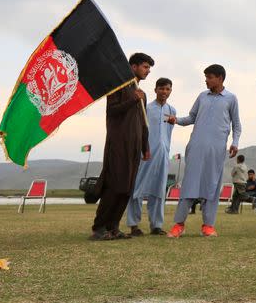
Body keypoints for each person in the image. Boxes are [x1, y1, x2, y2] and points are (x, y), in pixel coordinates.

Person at [166, 64, 242, 238]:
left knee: (212, 185)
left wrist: (235, 142)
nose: (206, 80)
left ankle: (208, 225)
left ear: (220, 78)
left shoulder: (231, 99)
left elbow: (236, 125)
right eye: (206, 77)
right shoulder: (202, 96)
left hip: (216, 150)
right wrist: (176, 120)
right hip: (196, 147)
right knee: (189, 184)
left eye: (209, 77)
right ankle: (179, 224)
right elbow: (191, 117)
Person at [90, 53, 153, 241]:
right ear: (133, 67)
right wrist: (132, 99)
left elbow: (143, 123)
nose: (148, 71)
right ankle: (99, 227)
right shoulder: (117, 86)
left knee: (127, 187)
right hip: (118, 144)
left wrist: (145, 146)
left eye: (149, 68)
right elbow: (112, 111)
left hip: (134, 147)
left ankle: (113, 226)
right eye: (145, 67)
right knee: (114, 186)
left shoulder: (142, 93)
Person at [126, 76, 175, 236]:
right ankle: (134, 225)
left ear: (170, 91)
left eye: (167, 89)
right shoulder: (145, 107)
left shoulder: (172, 111)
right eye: (161, 88)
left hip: (163, 156)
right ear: (155, 90)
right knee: (138, 189)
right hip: (145, 155)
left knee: (159, 190)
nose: (164, 92)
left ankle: (156, 226)